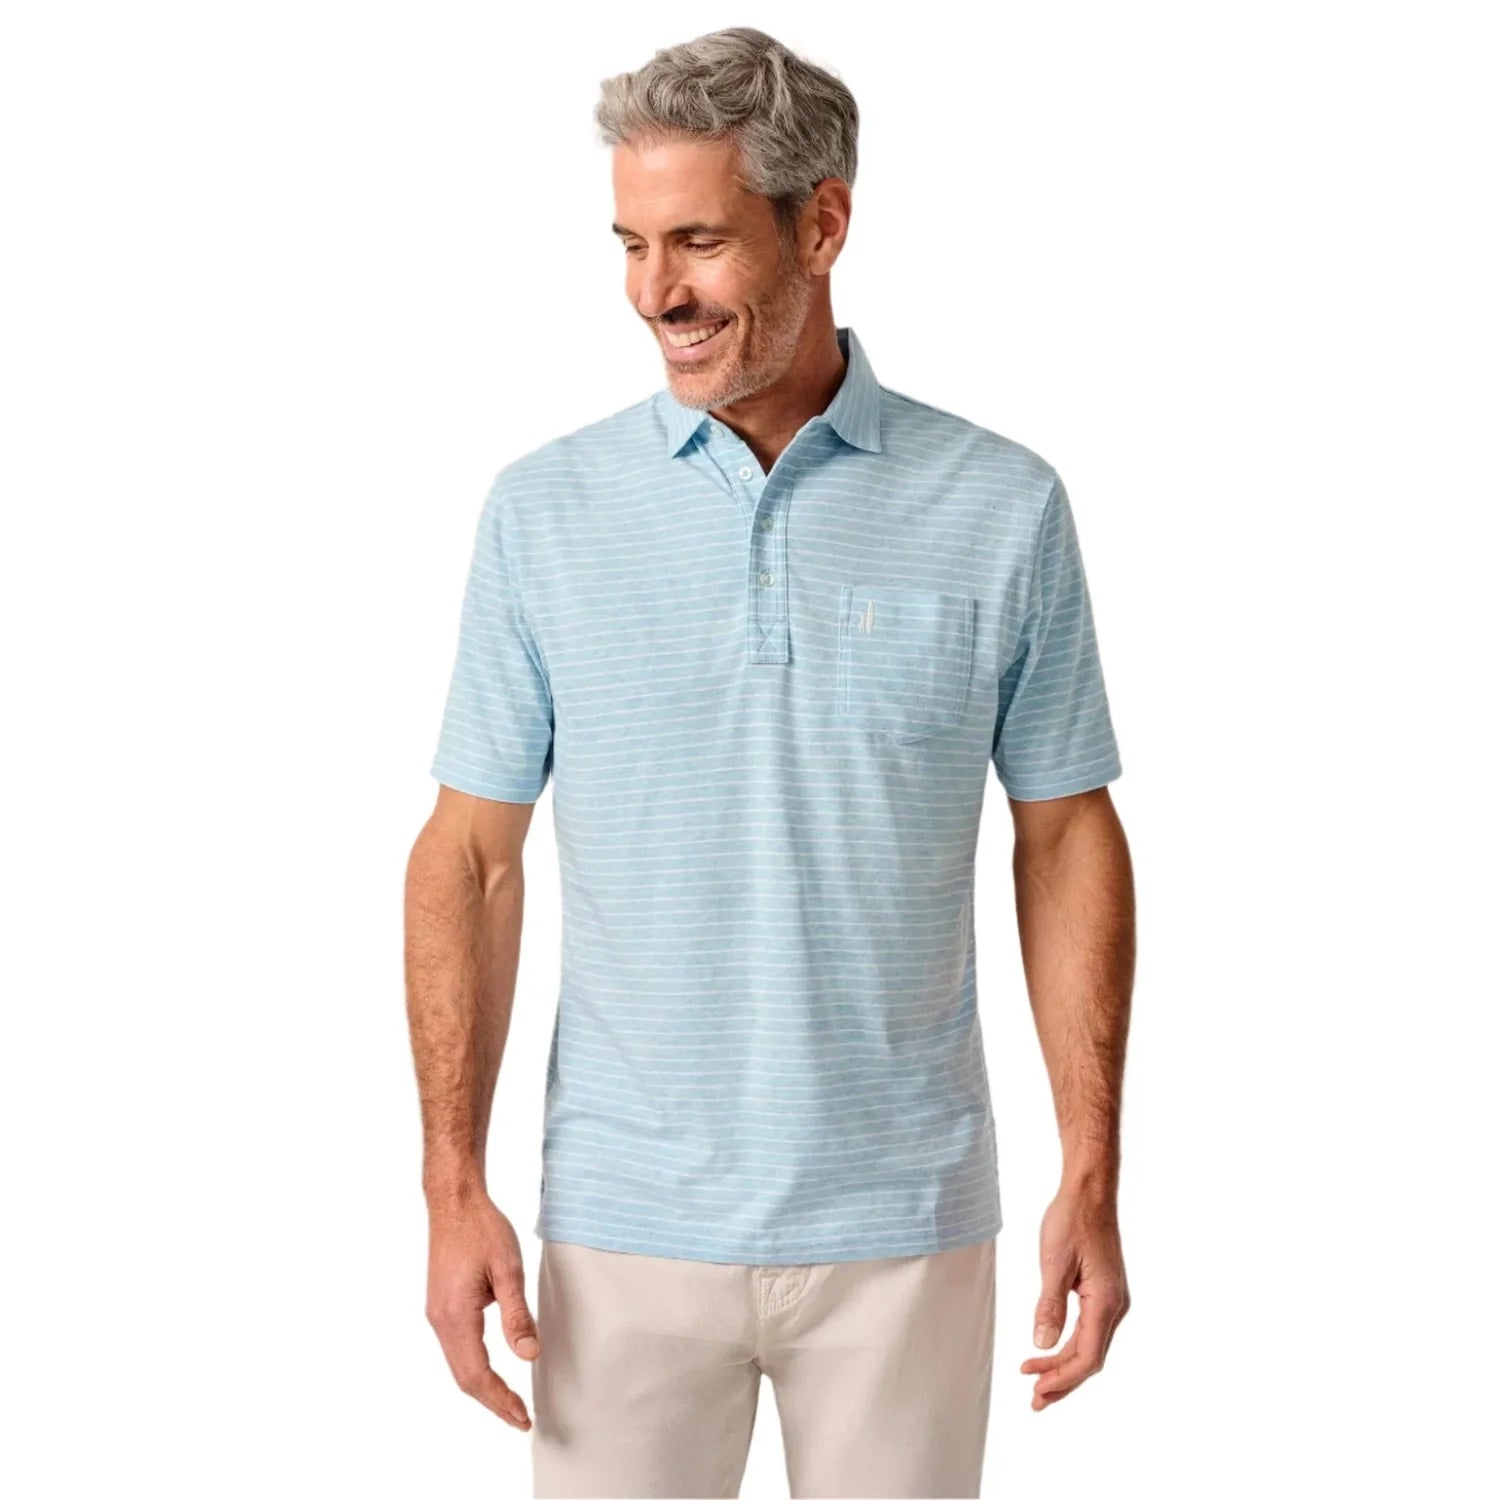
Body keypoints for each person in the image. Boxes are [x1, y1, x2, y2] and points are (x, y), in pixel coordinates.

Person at [403, 25, 1135, 1499]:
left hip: (907, 1226)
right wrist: (451, 1186)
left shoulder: (1001, 506)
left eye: (698, 242)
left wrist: (1093, 1170)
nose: (654, 293)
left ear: (824, 223)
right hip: (620, 1228)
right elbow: (469, 859)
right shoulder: (544, 513)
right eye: (630, 244)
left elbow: (1066, 837)